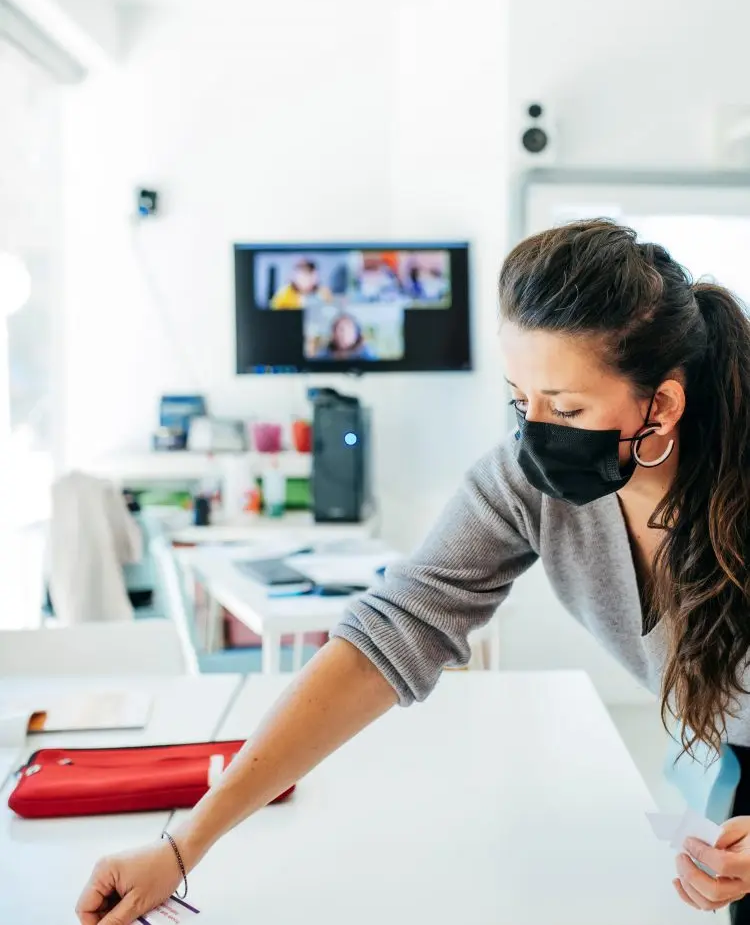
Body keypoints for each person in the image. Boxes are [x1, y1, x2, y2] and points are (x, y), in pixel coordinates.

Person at [77, 220, 750, 924]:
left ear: (663, 405)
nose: (536, 431)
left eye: (570, 407)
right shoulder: (526, 486)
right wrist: (184, 844)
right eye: (522, 399)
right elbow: (387, 635)